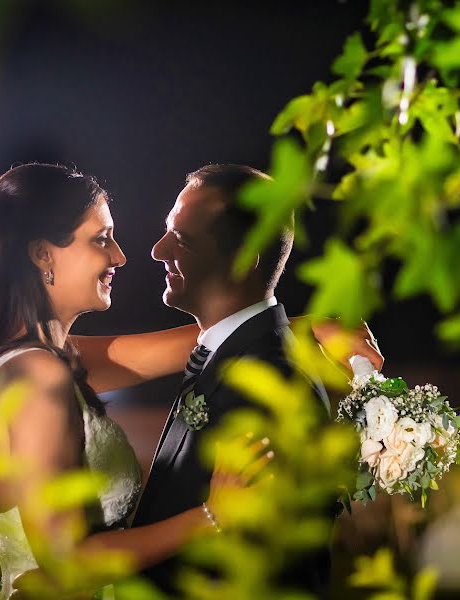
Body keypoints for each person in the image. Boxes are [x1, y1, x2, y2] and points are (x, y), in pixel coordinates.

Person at [0, 163, 271, 599]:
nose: (119, 256)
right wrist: (213, 517)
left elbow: (201, 342)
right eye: (101, 239)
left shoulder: (43, 360)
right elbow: (67, 562)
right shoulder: (36, 375)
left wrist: (300, 328)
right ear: (42, 255)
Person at [131, 164, 345, 597]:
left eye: (182, 240)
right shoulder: (234, 355)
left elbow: (257, 568)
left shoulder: (267, 383)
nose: (157, 250)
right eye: (167, 232)